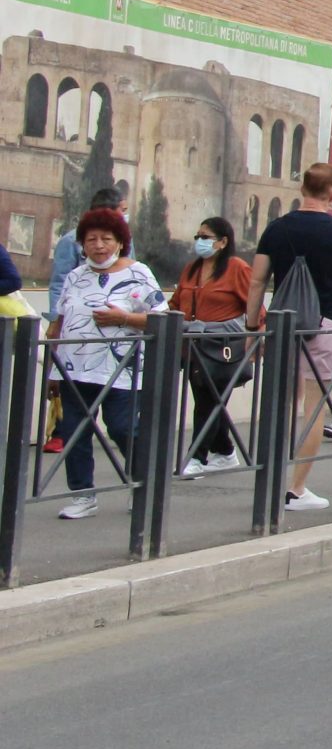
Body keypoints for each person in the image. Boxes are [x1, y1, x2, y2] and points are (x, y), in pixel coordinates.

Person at [248, 163, 332, 513]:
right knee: (314, 409)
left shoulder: (276, 229)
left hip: (282, 324)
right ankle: (297, 489)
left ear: (302, 190)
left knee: (280, 405)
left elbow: (257, 281)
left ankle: (268, 483)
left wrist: (252, 327)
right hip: (324, 325)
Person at [45, 208, 163, 520]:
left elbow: (161, 318)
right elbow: (58, 323)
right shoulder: (75, 276)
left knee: (123, 428)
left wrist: (123, 318)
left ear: (120, 243)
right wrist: (52, 368)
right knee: (73, 430)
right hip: (73, 369)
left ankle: (142, 484)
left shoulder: (138, 274)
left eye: (106, 239)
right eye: (91, 240)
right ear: (82, 245)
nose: (98, 245)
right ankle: (83, 494)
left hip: (120, 369)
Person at [172, 216, 254, 479]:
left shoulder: (237, 268)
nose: (200, 242)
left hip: (223, 348)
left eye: (205, 237)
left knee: (208, 401)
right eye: (197, 237)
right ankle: (225, 450)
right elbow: (176, 302)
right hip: (192, 346)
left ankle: (197, 456)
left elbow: (253, 308)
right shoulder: (191, 269)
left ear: (222, 241)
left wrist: (256, 338)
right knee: (206, 400)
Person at [53, 185, 123, 286]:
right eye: (92, 240)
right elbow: (59, 283)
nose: (99, 245)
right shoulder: (70, 241)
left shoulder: (124, 238)